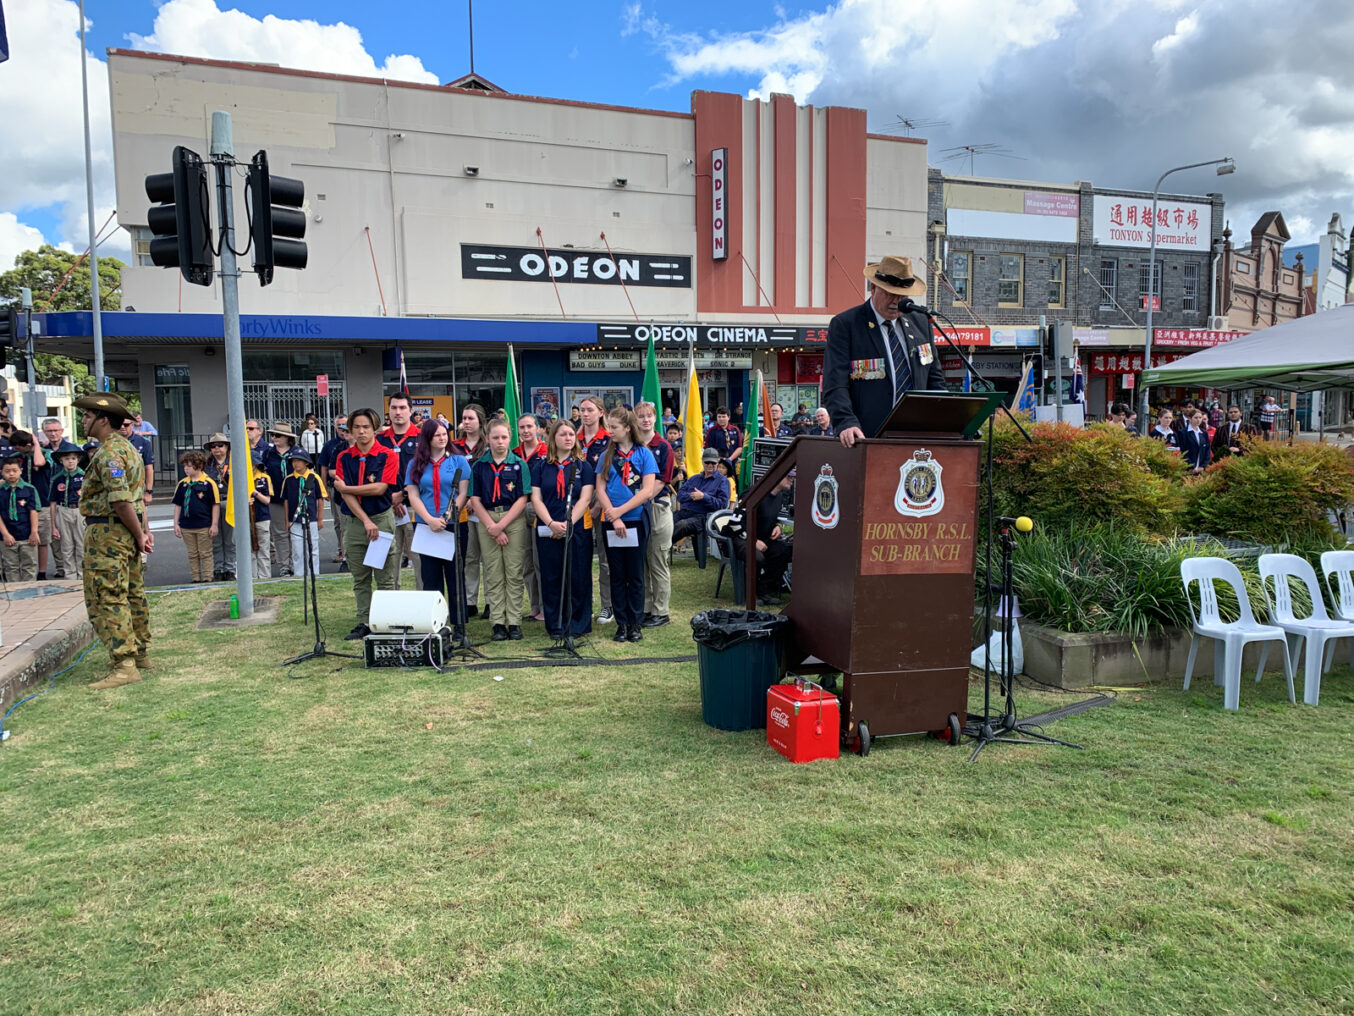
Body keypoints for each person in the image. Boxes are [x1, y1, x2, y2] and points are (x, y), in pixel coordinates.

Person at [822, 254, 948, 447]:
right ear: (873, 288)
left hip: (917, 438)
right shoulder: (847, 325)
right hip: (866, 437)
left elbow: (934, 378)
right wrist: (845, 422)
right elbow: (835, 383)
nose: (896, 301)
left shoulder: (920, 323)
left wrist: (947, 420)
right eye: (890, 293)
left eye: (902, 296)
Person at [75, 393, 153, 690]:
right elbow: (137, 500)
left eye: (87, 416)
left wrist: (139, 534)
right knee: (132, 591)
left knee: (108, 595)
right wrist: (141, 533)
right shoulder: (129, 449)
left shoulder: (109, 453)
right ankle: (140, 652)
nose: (83, 420)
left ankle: (125, 664)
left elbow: (121, 501)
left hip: (109, 533)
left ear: (103, 420)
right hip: (123, 531)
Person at [332, 407, 401, 640]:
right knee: (360, 577)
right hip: (354, 522)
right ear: (350, 430)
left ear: (375, 429)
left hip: (381, 519)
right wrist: (364, 520)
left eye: (366, 427)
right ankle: (364, 621)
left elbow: (380, 488)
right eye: (357, 427)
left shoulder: (388, 455)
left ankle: (387, 621)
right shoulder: (344, 457)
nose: (361, 432)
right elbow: (345, 497)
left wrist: (346, 488)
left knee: (384, 576)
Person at [593, 407, 658, 643]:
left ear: (628, 428)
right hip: (612, 523)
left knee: (636, 574)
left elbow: (648, 490)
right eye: (609, 426)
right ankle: (621, 623)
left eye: (614, 427)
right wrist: (614, 516)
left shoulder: (644, 454)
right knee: (617, 573)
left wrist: (621, 511)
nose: (610, 431)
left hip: (635, 521)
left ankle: (635, 623)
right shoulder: (606, 456)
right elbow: (600, 488)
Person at [405, 418, 471, 644]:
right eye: (437, 435)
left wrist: (448, 515)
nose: (443, 438)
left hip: (453, 526)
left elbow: (463, 493)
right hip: (426, 527)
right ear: (427, 438)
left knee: (455, 576)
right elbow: (413, 495)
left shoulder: (458, 461)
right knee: (430, 578)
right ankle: (436, 624)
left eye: (445, 434)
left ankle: (460, 625)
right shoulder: (415, 464)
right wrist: (429, 519)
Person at [529, 419, 595, 639]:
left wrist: (568, 524)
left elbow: (585, 498)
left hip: (576, 528)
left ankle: (577, 624)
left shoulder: (583, 466)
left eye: (571, 434)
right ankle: (555, 624)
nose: (568, 438)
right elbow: (536, 499)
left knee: (577, 575)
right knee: (551, 577)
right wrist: (550, 523)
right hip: (548, 528)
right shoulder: (540, 466)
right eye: (563, 434)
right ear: (553, 438)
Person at [470, 418, 531, 641]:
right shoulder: (479, 466)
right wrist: (491, 526)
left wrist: (501, 526)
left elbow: (523, 497)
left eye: (504, 437)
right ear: (487, 438)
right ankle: (497, 622)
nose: (500, 442)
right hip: (487, 518)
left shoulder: (519, 464)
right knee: (493, 572)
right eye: (495, 437)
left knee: (513, 572)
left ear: (510, 438)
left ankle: (514, 621)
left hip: (512, 518)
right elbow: (475, 499)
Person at [635, 401, 675, 628]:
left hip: (656, 507)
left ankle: (661, 612)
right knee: (642, 561)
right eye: (640, 417)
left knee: (657, 560)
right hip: (637, 508)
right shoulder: (633, 445)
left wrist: (640, 498)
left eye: (648, 416)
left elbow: (662, 481)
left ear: (655, 418)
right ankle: (646, 608)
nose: (645, 420)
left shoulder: (664, 447)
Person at [727, 472, 794, 605]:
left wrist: (778, 527)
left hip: (763, 538)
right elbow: (734, 523)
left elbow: (768, 518)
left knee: (783, 552)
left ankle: (764, 589)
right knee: (757, 557)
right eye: (788, 476)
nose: (792, 480)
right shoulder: (753, 493)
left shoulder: (779, 496)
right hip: (741, 537)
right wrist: (752, 541)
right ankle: (749, 592)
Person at [577, 396, 614, 624]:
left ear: (601, 412)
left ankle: (607, 606)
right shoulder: (573, 438)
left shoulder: (609, 440)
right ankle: (585, 604)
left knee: (604, 559)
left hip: (601, 506)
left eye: (590, 410)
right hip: (578, 506)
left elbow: (611, 478)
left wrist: (598, 505)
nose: (585, 414)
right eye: (582, 410)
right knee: (580, 558)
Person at [378, 394, 421, 588]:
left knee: (420, 559)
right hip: (386, 509)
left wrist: (402, 495)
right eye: (394, 407)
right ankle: (392, 606)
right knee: (389, 561)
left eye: (402, 407)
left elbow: (426, 472)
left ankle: (424, 603)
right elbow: (374, 473)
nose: (398, 412)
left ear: (410, 411)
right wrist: (391, 499)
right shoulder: (379, 440)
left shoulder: (422, 439)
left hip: (415, 508)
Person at [453, 403, 489, 617]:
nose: (466, 422)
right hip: (462, 509)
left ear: (480, 422)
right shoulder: (455, 447)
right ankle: (469, 600)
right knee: (469, 557)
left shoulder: (489, 445)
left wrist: (475, 499)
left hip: (483, 508)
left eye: (470, 419)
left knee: (489, 558)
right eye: (464, 418)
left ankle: (491, 602)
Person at [513, 413, 548, 621]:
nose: (526, 431)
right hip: (519, 507)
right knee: (526, 561)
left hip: (538, 508)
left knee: (540, 560)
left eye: (529, 426)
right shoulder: (514, 453)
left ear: (537, 428)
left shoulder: (546, 451)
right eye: (522, 427)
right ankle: (534, 606)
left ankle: (545, 607)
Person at [171, 450, 220, 583]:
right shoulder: (182, 484)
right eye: (184, 466)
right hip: (187, 525)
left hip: (204, 524)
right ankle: (196, 578)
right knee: (192, 554)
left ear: (198, 466)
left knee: (205, 553)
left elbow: (215, 504)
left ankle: (207, 577)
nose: (186, 469)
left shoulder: (208, 483)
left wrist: (214, 524)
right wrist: (176, 524)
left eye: (189, 465)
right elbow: (178, 505)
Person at [9, 430, 51, 579]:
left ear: (28, 444)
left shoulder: (45, 454)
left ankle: (42, 572)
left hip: (42, 502)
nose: (15, 450)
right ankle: (24, 571)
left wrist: (36, 445)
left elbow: (39, 463)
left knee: (42, 539)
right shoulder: (15, 458)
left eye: (18, 447)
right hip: (19, 503)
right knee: (24, 539)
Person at [281, 448, 327, 578]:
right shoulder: (288, 480)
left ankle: (314, 574)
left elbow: (320, 498)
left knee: (312, 548)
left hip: (311, 517)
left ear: (306, 463)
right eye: (294, 461)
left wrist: (320, 518)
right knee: (297, 549)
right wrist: (287, 521)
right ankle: (299, 575)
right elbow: (286, 501)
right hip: (294, 519)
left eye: (299, 461)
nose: (296, 464)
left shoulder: (314, 478)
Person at [671, 448, 731, 544]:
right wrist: (692, 496)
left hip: (703, 517)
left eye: (713, 463)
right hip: (684, 513)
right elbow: (680, 496)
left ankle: (662, 547)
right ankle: (658, 547)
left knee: (681, 525)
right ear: (702, 462)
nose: (710, 465)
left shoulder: (723, 481)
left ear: (717, 463)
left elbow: (722, 505)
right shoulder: (694, 478)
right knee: (665, 522)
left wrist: (704, 497)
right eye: (707, 462)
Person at [0, 453, 41, 581]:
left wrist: (34, 532)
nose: (11, 474)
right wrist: (5, 534)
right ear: (1, 472)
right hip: (7, 536)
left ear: (20, 471)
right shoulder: (0, 491)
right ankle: (14, 597)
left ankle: (30, 597)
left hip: (27, 535)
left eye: (14, 471)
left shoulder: (29, 489)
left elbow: (33, 511)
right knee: (11, 567)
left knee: (30, 566)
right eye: (7, 471)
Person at [262, 423, 297, 576]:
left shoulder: (298, 452)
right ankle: (284, 566)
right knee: (280, 533)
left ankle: (297, 564)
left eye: (278, 435)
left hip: (295, 498)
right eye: (273, 435)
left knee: (296, 532)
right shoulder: (268, 454)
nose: (274, 438)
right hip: (276, 499)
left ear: (287, 438)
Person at [48, 442, 85, 579]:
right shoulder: (57, 479)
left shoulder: (84, 477)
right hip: (63, 510)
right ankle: (69, 576)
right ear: (61, 460)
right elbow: (52, 502)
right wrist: (53, 526)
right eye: (67, 459)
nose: (70, 462)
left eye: (73, 458)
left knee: (81, 544)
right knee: (66, 546)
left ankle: (82, 576)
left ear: (78, 460)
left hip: (80, 511)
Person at [202, 433, 236, 581]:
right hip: (213, 504)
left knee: (230, 539)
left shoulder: (234, 463)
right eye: (213, 446)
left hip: (229, 502)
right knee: (215, 538)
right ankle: (218, 568)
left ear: (227, 447)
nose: (217, 449)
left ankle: (230, 569)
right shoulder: (206, 465)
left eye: (220, 445)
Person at [319, 414, 350, 569]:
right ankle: (342, 550)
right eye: (339, 426)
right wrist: (324, 487)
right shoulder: (331, 446)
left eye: (345, 426)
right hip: (335, 487)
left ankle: (348, 553)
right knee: (338, 521)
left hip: (352, 488)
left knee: (347, 521)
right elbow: (325, 467)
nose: (343, 430)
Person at [247, 448, 274, 580]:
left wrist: (255, 493)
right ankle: (252, 577)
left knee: (263, 550)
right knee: (250, 550)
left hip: (262, 517)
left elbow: (267, 500)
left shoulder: (264, 478)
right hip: (246, 519)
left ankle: (264, 577)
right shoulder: (241, 479)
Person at [119, 416, 155, 510]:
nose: (122, 427)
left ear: (132, 425)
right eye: (120, 424)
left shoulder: (143, 442)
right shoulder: (112, 442)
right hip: (118, 487)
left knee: (140, 520)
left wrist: (148, 492)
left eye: (126, 425)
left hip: (137, 489)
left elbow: (149, 468)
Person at [1180, 409, 1212, 474]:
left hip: (1201, 469)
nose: (1198, 420)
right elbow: (1182, 452)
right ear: (1189, 418)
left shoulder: (1204, 432)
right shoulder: (1183, 433)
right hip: (1188, 469)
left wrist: (1203, 466)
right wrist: (1191, 467)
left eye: (1200, 418)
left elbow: (1207, 450)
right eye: (1196, 417)